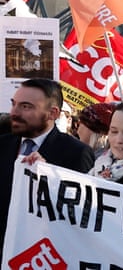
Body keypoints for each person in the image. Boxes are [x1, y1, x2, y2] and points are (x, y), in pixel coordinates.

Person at [0, 79, 95, 251]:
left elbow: (81, 215)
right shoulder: (3, 145)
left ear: (53, 113)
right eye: (14, 104)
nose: (14, 112)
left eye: (26, 107)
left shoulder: (77, 153)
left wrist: (49, 178)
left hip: (44, 254)